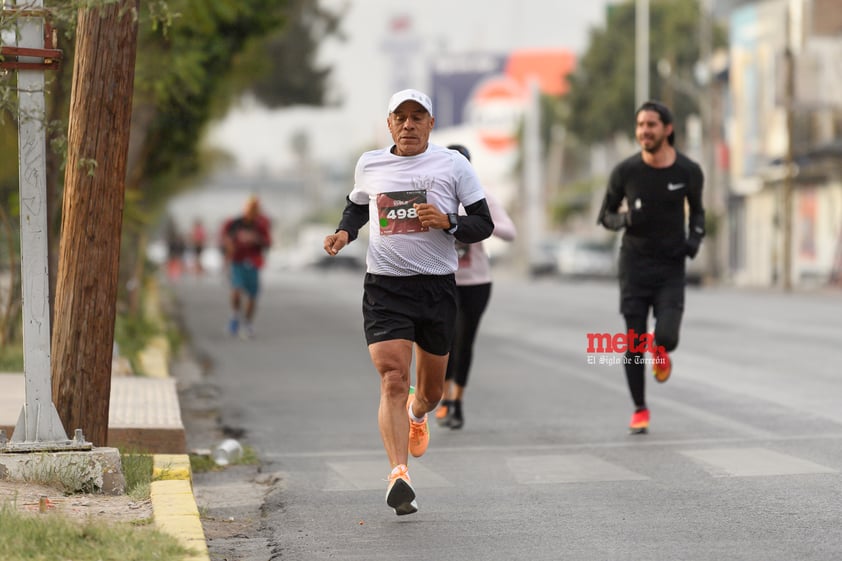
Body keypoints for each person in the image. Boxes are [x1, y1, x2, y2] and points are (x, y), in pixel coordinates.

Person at [322, 89, 494, 515]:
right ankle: (399, 475)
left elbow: (483, 223)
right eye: (401, 117)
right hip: (385, 287)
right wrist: (345, 233)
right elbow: (357, 205)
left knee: (431, 392)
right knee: (392, 379)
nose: (409, 125)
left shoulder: (453, 165)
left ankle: (419, 415)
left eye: (418, 117)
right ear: (389, 124)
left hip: (436, 287)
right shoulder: (370, 163)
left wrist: (449, 221)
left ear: (431, 124)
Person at [597, 100, 705, 435]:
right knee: (633, 342)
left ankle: (660, 351)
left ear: (667, 130)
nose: (645, 131)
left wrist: (693, 241)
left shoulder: (688, 171)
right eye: (641, 125)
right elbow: (606, 216)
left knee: (667, 336)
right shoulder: (625, 172)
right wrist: (625, 218)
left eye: (651, 125)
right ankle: (640, 409)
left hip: (671, 266)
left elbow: (698, 212)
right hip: (634, 266)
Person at [435, 144, 517, 430]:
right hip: (443, 279)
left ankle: (456, 403)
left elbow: (510, 232)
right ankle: (443, 398)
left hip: (477, 283)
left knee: (464, 341)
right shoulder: (433, 198)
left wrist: (478, 222)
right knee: (444, 341)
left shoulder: (481, 198)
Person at [221, 196, 272, 339]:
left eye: (256, 208)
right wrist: (229, 246)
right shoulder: (235, 223)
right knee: (236, 291)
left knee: (252, 295)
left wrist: (256, 240)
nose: (253, 211)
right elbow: (225, 238)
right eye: (251, 208)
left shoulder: (261, 225)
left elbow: (268, 242)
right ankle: (235, 316)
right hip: (237, 261)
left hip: (254, 263)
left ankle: (247, 323)